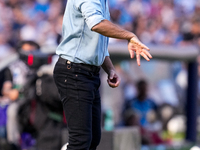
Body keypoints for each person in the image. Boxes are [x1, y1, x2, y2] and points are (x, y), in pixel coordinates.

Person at [53, 0, 152, 150]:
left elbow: (97, 44)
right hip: (74, 70)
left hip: (87, 73)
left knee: (93, 138)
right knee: (80, 141)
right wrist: (129, 35)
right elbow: (97, 24)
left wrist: (110, 69)